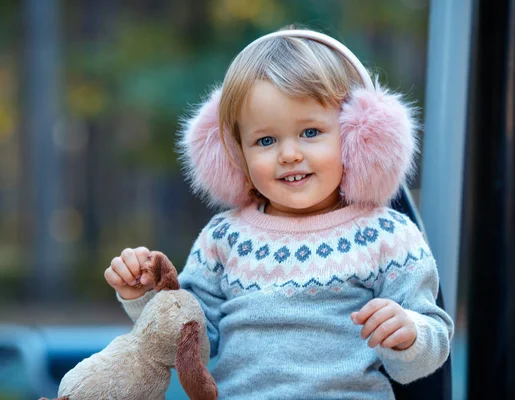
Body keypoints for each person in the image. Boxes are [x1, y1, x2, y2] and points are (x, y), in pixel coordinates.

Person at [104, 27, 454, 399]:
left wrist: (408, 333)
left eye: (310, 132)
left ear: (358, 139)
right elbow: (191, 343)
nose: (289, 154)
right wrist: (144, 296)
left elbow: (426, 353)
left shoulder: (387, 235)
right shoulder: (224, 238)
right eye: (266, 140)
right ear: (235, 155)